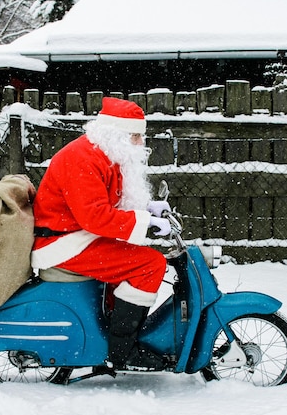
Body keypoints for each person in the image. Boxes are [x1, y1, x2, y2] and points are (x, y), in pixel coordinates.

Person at [31, 97, 171, 371]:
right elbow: (94, 216)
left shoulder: (103, 155)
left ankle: (114, 334)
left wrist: (147, 208)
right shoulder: (83, 159)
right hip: (62, 243)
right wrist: (145, 222)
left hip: (77, 235)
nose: (141, 144)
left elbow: (109, 200)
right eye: (135, 136)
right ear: (116, 134)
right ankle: (123, 350)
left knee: (133, 262)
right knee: (150, 265)